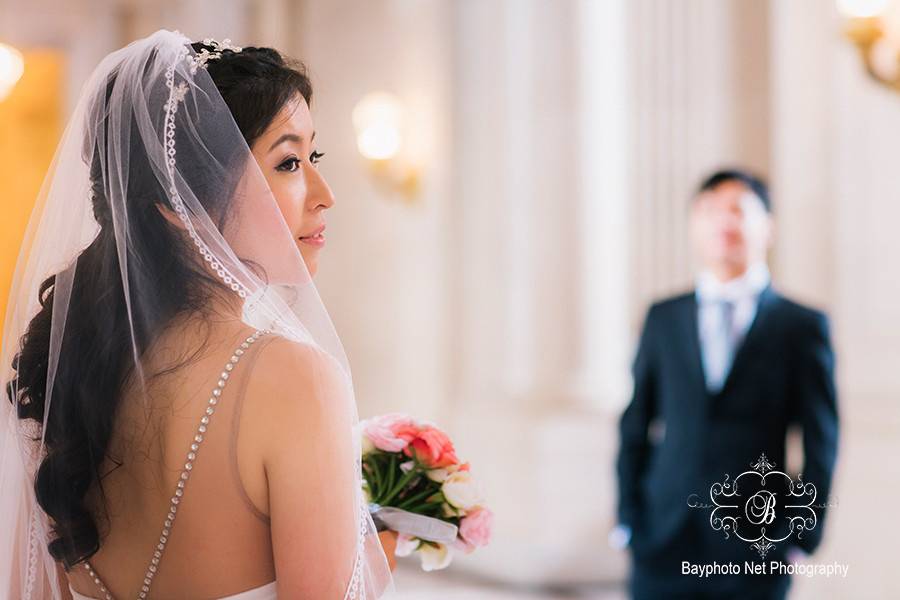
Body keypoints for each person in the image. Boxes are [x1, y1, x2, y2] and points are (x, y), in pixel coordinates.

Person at [0, 30, 395, 599]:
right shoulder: (295, 382)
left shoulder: (73, 375)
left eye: (315, 157)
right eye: (288, 163)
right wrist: (373, 560)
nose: (324, 193)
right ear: (181, 204)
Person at [615, 169, 839, 599]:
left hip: (758, 542)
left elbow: (821, 439)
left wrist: (800, 536)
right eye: (709, 210)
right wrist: (628, 520)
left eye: (738, 209)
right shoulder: (663, 316)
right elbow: (634, 424)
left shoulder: (802, 325)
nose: (723, 221)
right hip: (661, 537)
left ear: (768, 227)